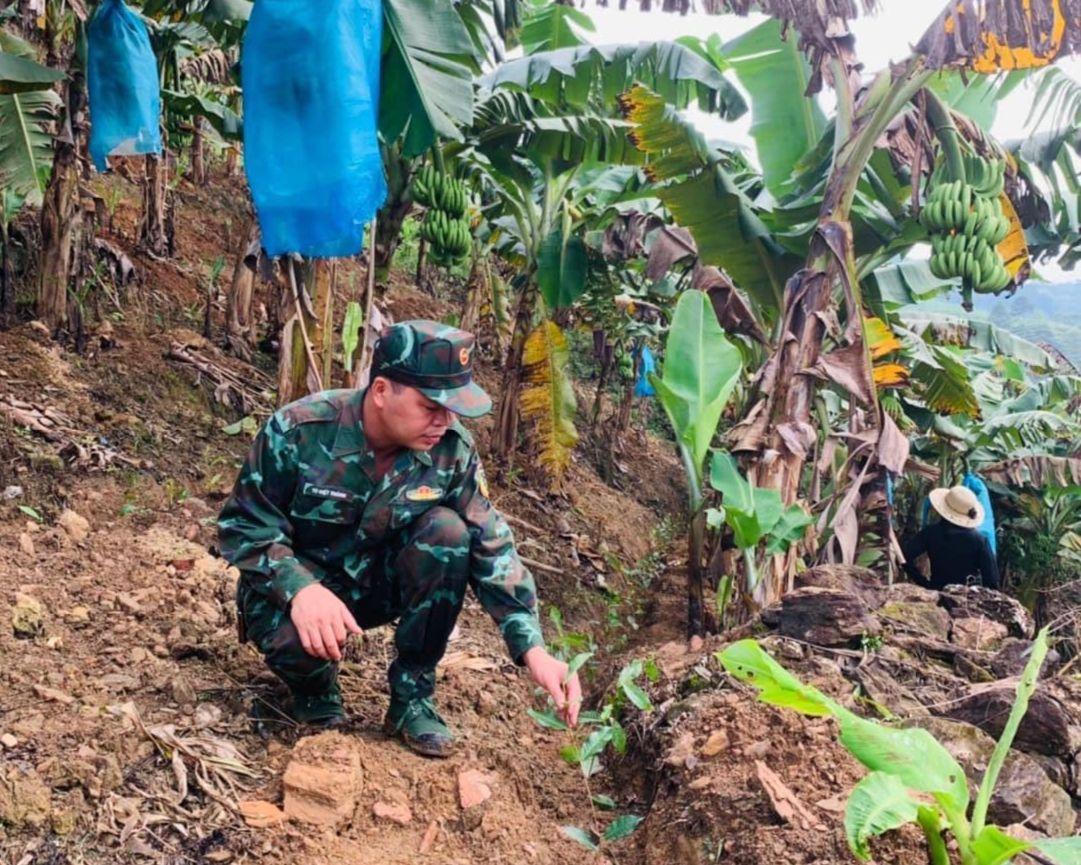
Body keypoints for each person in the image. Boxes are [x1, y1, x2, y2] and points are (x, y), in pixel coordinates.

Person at [218, 320, 581, 757]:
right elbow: (244, 525)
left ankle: (412, 698)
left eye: (452, 409)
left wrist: (534, 649)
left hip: (374, 587)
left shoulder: (450, 451)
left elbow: (493, 546)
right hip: (293, 594)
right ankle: (314, 690)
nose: (444, 421)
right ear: (382, 391)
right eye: (431, 405)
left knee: (447, 534)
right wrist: (301, 590)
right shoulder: (299, 432)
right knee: (296, 645)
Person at [902, 485, 1000, 591]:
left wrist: (925, 584)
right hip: (967, 597)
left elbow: (905, 557)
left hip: (937, 593)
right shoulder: (979, 540)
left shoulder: (930, 533)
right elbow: (991, 580)